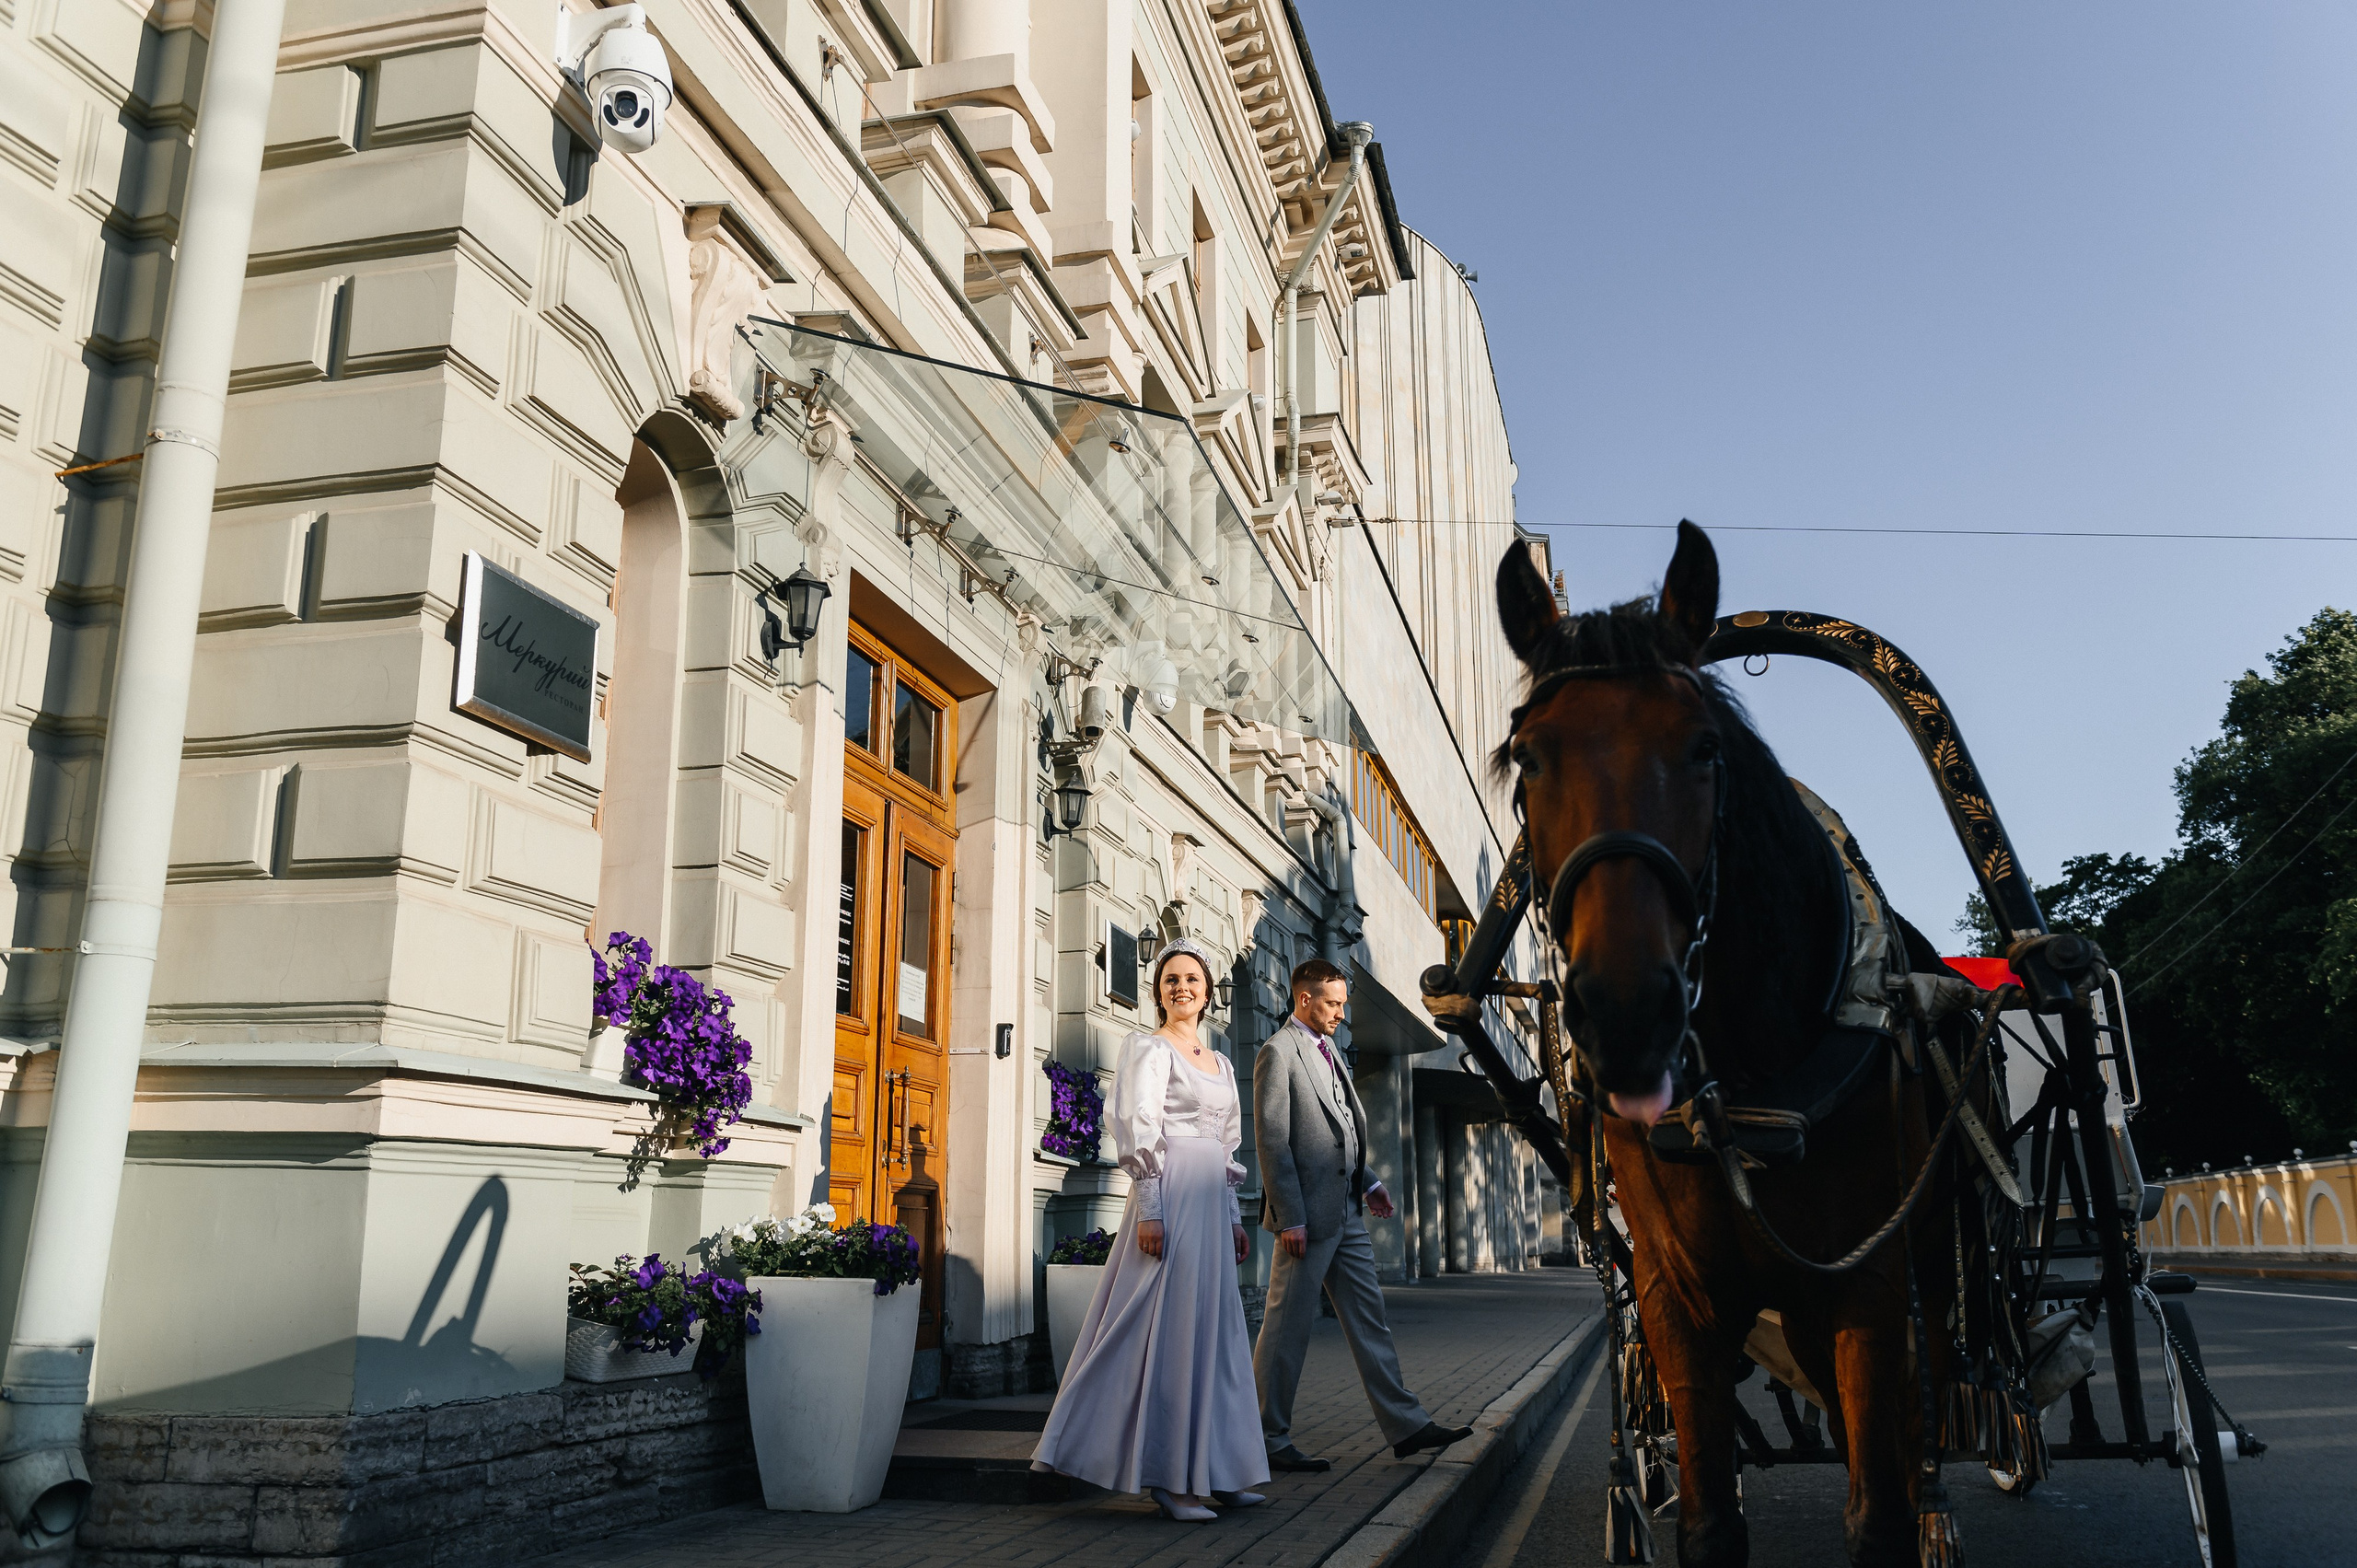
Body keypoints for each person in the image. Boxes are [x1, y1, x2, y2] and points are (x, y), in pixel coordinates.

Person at [1031, 937, 1269, 1522]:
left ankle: (1223, 1469)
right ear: (1159, 992)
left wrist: (1235, 1218)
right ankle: (1170, 1478)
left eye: (1192, 978)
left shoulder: (1222, 1062)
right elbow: (1140, 1134)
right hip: (1172, 1197)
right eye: (1170, 980)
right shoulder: (1149, 1049)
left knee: (1216, 1335)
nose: (1181, 987)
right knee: (1172, 1335)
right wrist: (1153, 1209)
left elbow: (1228, 1146)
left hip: (1212, 1203)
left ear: (1208, 991)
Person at [1254, 958, 1471, 1470]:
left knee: (1370, 1321)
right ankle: (1266, 1440)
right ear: (1304, 999)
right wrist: (1291, 1219)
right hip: (1305, 1220)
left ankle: (1407, 1426)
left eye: (1343, 1003)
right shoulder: (1277, 1053)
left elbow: (1341, 1130)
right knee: (1286, 1331)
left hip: (1347, 1211)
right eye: (1332, 1003)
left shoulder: (1329, 1049)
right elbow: (1273, 1142)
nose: (1340, 1013)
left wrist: (1368, 1179)